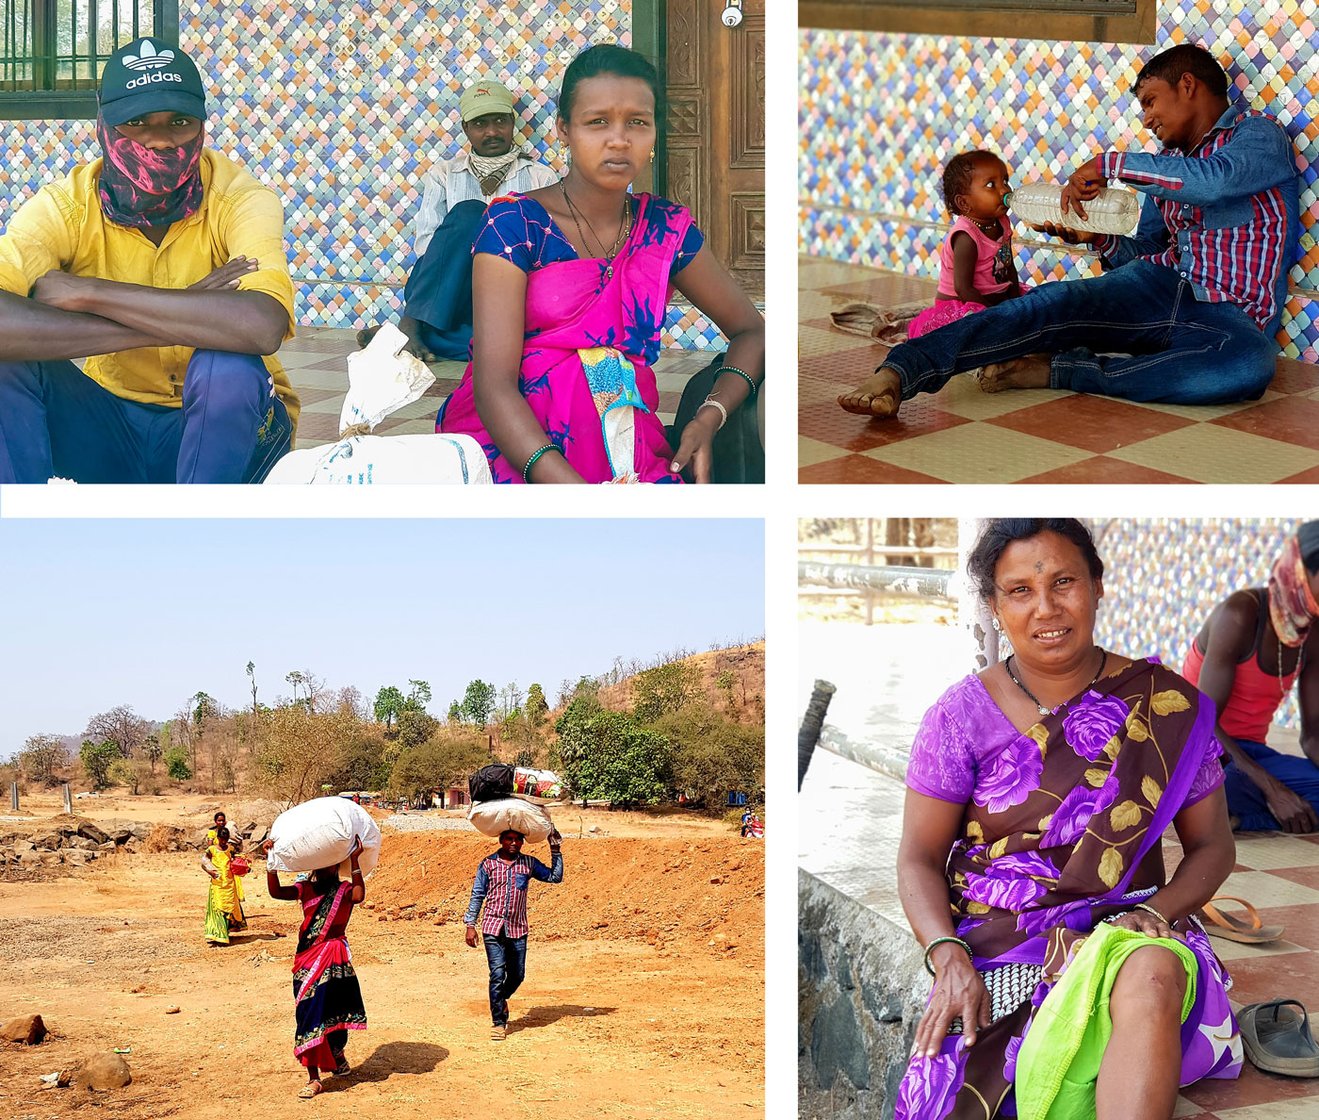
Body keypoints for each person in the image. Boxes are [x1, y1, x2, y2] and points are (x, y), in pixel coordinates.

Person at [896, 518, 1240, 1120]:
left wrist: (1155, 912)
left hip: (1131, 920)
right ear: (995, 607)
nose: (1047, 608)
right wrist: (947, 954)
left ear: (1098, 586)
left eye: (1064, 582)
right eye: (1020, 591)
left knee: (1152, 972)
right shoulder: (957, 720)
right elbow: (918, 859)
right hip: (1004, 939)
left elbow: (1213, 846)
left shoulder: (1162, 702)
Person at [840, 42, 1299, 420]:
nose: (1147, 118)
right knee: (1048, 304)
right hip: (1157, 289)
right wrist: (1096, 240)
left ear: (1188, 85)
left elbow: (1215, 182)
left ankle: (1064, 369)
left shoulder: (1258, 136)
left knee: (1248, 366)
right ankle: (901, 372)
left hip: (1230, 317)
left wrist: (1110, 165)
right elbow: (1149, 250)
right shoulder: (1168, 170)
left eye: (1150, 102)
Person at [437, 43, 765, 484]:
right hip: (516, 451)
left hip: (625, 445)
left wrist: (711, 415)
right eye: (597, 122)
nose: (619, 139)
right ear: (564, 130)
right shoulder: (515, 224)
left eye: (637, 122)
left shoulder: (664, 230)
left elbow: (753, 330)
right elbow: (494, 385)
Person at [0, 37, 298, 484]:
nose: (159, 141)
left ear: (201, 125)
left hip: (229, 438)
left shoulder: (240, 199)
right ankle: (27, 537)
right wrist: (183, 306)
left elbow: (261, 325)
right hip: (110, 429)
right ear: (102, 123)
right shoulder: (65, 208)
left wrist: (91, 293)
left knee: (228, 364)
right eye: (137, 122)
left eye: (178, 121)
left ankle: (195, 543)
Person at [356, 76, 556, 361]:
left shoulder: (540, 177)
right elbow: (426, 247)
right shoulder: (444, 175)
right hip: (447, 287)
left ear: (513, 122)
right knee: (470, 212)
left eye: (500, 121)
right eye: (479, 124)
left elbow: (547, 248)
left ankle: (407, 333)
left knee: (500, 346)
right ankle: (412, 322)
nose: (491, 132)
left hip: (506, 290)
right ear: (465, 129)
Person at [1182, 522, 1319, 834]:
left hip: (1250, 755)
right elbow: (1200, 725)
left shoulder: (1314, 633)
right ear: (1299, 573)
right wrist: (1272, 789)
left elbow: (1313, 736)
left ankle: (1235, 820)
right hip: (1197, 750)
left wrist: (1274, 786)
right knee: (1222, 785)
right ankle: (1224, 809)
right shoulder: (1240, 615)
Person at [262, 836, 367, 1099]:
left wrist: (355, 860)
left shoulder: (344, 889)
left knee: (338, 1012)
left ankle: (337, 1054)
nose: (325, 867)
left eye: (331, 862)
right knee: (309, 1014)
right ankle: (313, 1077)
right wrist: (271, 862)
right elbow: (276, 892)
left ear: (336, 864)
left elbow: (359, 895)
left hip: (336, 958)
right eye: (321, 862)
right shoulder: (305, 889)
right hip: (308, 959)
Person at [905, 150, 1023, 339]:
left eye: (1005, 180)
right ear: (964, 203)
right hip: (963, 302)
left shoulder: (1001, 222)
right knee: (969, 330)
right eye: (991, 185)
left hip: (995, 297)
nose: (1004, 190)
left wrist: (1017, 300)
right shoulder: (966, 237)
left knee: (1035, 304)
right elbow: (963, 288)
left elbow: (1008, 264)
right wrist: (993, 315)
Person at [463, 827, 564, 1040]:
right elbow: (477, 895)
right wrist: (470, 924)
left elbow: (555, 877)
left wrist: (555, 849)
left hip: (518, 929)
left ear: (523, 843)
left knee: (518, 975)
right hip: (492, 928)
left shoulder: (528, 864)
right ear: (500, 840)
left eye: (518, 840)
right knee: (497, 974)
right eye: (509, 839)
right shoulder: (488, 864)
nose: (514, 843)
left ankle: (501, 999)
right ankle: (498, 1022)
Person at [202, 827, 246, 945]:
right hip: (217, 884)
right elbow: (204, 863)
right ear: (218, 838)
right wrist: (210, 872)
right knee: (219, 908)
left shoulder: (230, 849)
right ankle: (218, 935)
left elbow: (235, 862)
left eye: (225, 840)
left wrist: (243, 865)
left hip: (229, 884)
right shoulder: (211, 850)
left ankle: (225, 932)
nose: (223, 842)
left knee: (229, 907)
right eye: (222, 839)